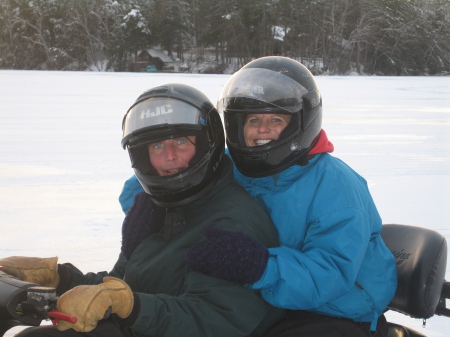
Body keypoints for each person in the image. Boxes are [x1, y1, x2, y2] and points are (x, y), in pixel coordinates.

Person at [118, 57, 398, 337]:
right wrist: (145, 205)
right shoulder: (236, 165)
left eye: (275, 119)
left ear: (299, 123)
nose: (262, 130)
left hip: (337, 309)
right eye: (253, 120)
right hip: (266, 299)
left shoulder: (336, 187)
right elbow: (182, 177)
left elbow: (330, 272)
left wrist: (261, 267)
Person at [0, 83, 284, 337]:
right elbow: (122, 286)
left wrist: (131, 307)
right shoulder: (154, 208)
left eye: (181, 142)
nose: (169, 156)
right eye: (157, 145)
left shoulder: (230, 219)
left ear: (207, 144)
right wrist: (62, 278)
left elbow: (217, 319)